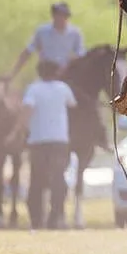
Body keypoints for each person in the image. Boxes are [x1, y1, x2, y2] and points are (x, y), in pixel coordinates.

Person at [11, 61, 77, 229]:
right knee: (58, 180)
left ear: (39, 72)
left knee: (37, 180)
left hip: (38, 141)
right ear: (55, 72)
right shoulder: (63, 88)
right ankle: (55, 218)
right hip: (59, 141)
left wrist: (17, 132)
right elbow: (73, 105)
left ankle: (36, 219)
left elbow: (26, 113)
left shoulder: (33, 89)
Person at [9, 2, 84, 81]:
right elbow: (27, 52)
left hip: (65, 76)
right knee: (33, 91)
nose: (61, 18)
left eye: (64, 16)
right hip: (45, 75)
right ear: (53, 16)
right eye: (58, 15)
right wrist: (12, 74)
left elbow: (81, 55)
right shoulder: (42, 31)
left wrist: (72, 61)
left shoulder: (75, 33)